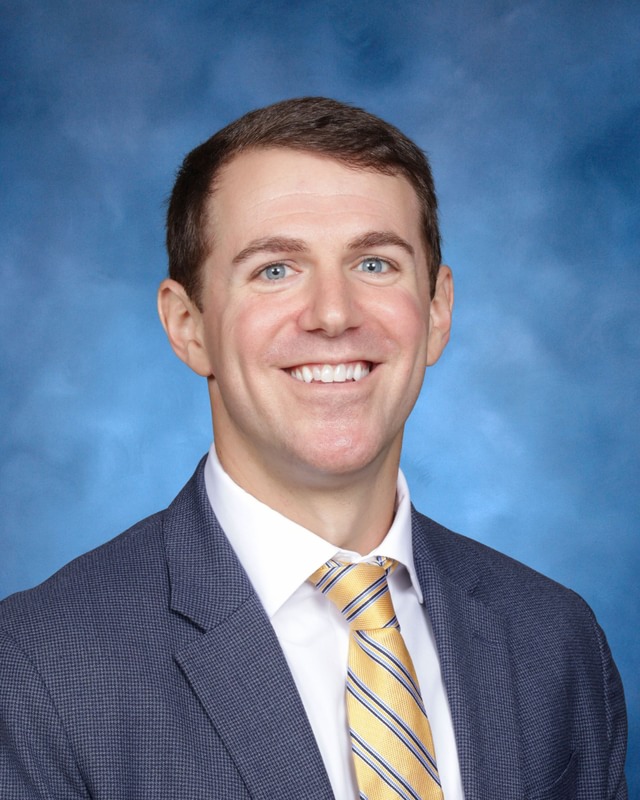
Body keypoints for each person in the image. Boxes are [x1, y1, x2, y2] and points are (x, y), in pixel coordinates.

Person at [0, 97, 627, 799]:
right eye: (275, 269)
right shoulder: (37, 670)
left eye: (375, 264)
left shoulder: (555, 639)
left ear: (438, 311)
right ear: (188, 326)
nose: (333, 314)